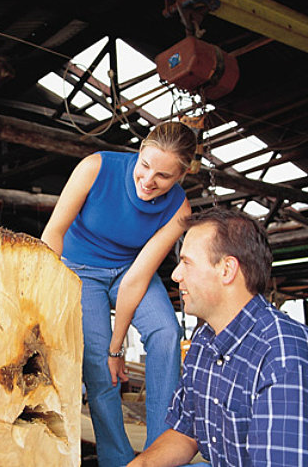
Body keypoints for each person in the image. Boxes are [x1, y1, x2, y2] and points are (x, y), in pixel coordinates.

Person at [130, 207, 308, 467]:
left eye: (187, 263)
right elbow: (186, 431)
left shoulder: (285, 360)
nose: (175, 275)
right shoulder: (205, 340)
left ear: (227, 269)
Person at [41, 121, 196, 466]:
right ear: (139, 152)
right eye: (145, 166)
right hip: (80, 271)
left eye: (164, 177)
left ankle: (160, 454)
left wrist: (119, 345)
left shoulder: (179, 209)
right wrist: (43, 294)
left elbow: (137, 278)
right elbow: (53, 233)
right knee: (98, 365)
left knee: (167, 332)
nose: (149, 181)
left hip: (131, 269)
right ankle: (116, 459)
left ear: (182, 175)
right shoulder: (96, 167)